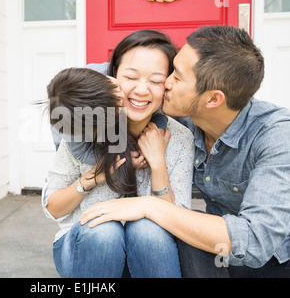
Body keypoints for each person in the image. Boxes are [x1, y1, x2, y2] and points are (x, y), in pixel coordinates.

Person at [79, 25, 290, 278]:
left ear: (213, 99)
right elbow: (72, 88)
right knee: (156, 238)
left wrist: (151, 206)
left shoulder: (279, 136)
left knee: (165, 221)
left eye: (176, 77)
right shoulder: (185, 114)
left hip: (279, 261)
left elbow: (256, 241)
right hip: (218, 251)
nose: (165, 83)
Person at [42, 30, 195, 278]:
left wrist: (158, 164)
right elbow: (53, 209)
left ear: (167, 84)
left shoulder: (178, 137)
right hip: (87, 248)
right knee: (104, 229)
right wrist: (93, 176)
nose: (142, 90)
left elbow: (178, 221)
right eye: (130, 77)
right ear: (112, 76)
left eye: (156, 81)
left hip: (149, 253)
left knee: (148, 228)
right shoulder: (87, 127)